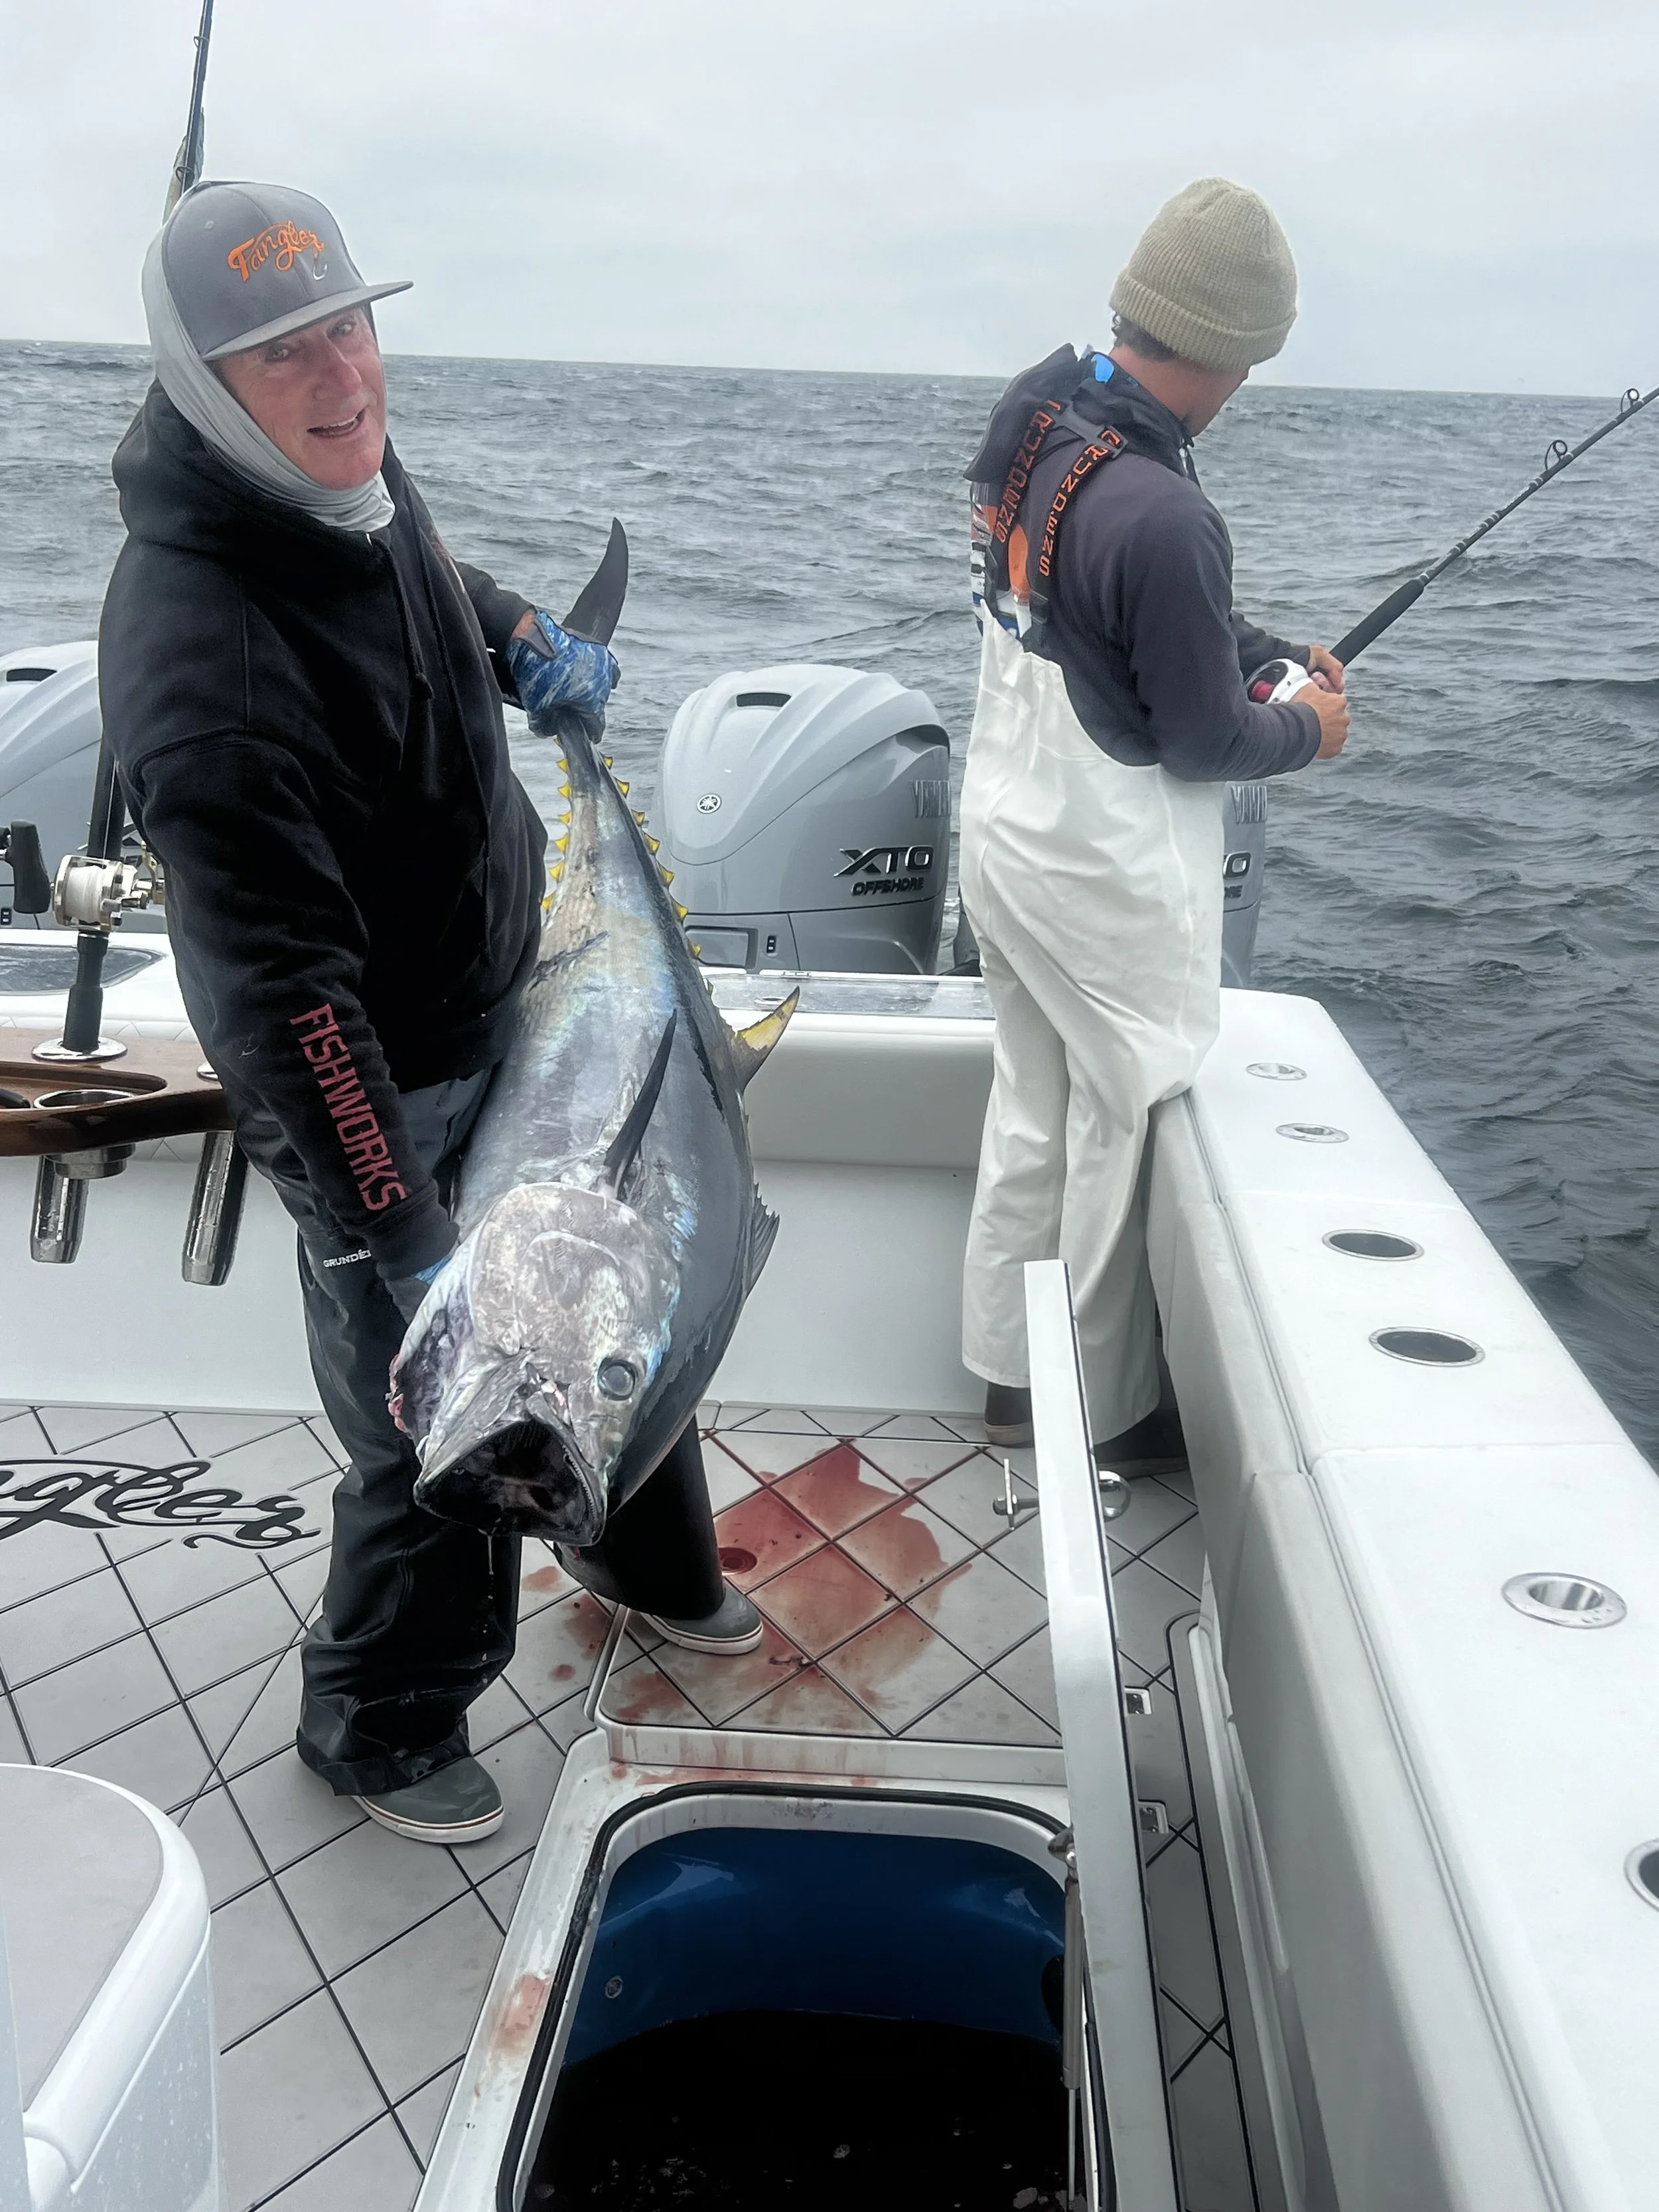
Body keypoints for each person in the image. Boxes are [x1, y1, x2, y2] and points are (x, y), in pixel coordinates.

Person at [99, 181, 760, 1848]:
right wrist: (403, 1236)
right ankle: (380, 1723)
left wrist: (529, 637)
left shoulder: (340, 478)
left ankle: (642, 1557)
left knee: (621, 1291)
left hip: (504, 1010)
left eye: (348, 323)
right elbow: (281, 1006)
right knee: (440, 1434)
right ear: (198, 384)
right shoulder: (204, 671)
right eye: (279, 353)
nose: (340, 377)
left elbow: (421, 580)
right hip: (370, 1092)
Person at [958, 177, 1350, 1467]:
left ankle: (1005, 1383)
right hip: (1101, 869)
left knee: (1030, 1102)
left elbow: (1099, 613)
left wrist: (1260, 648)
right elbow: (1201, 740)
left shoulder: (1037, 419)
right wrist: (1311, 725)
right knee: (1118, 1127)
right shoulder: (1169, 512)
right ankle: (1105, 1420)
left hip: (1003, 836)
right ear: (1233, 351)